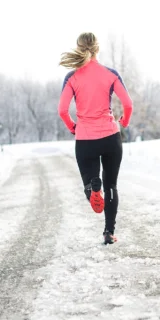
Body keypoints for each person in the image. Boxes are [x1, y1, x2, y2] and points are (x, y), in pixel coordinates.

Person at [58, 32, 133, 245]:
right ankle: (109, 232)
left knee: (91, 184)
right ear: (97, 49)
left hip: (85, 140)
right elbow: (128, 104)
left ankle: (93, 189)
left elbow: (62, 110)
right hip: (111, 137)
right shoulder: (110, 74)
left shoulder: (72, 77)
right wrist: (124, 122)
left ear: (79, 48)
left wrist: (73, 127)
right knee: (111, 185)